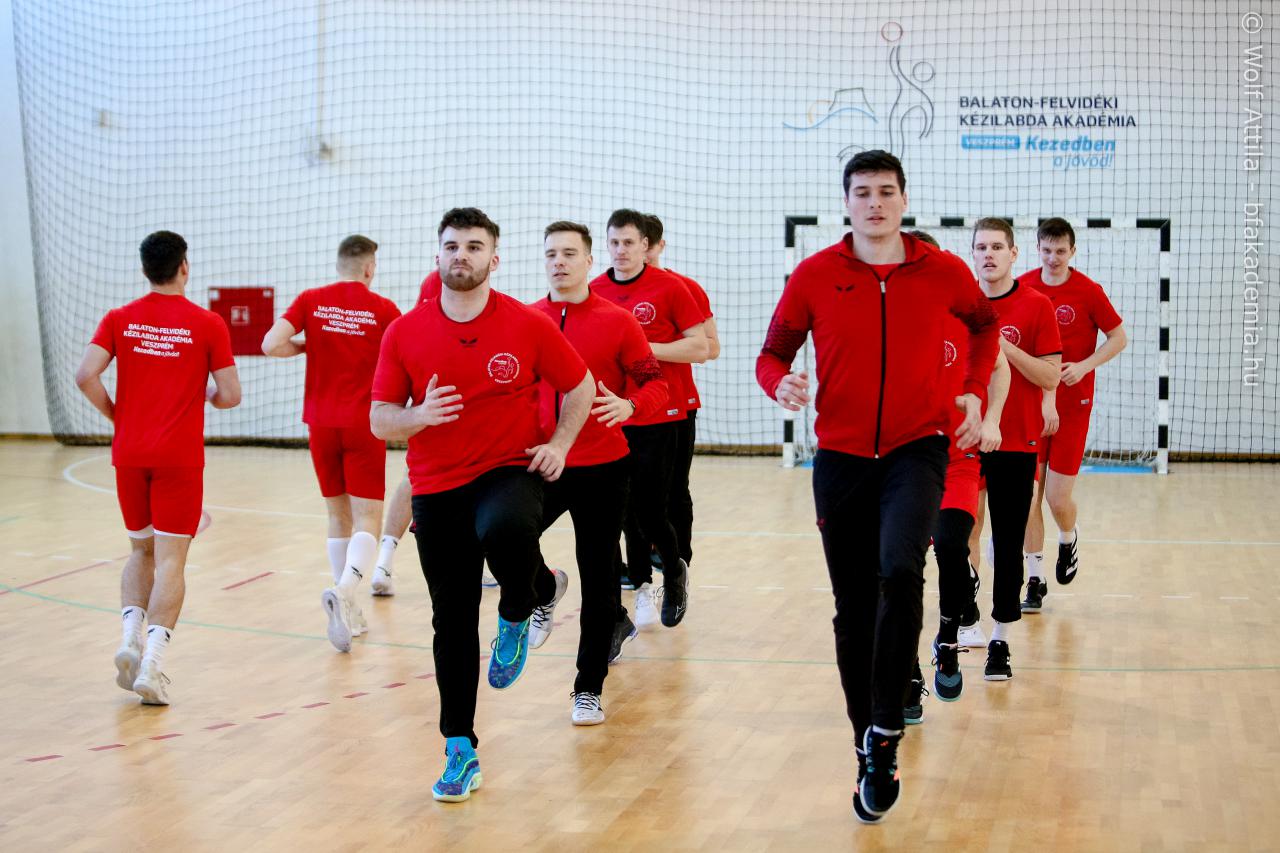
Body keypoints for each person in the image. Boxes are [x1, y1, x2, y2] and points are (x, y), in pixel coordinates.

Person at [757, 151, 998, 822]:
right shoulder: (815, 275)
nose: (875, 203)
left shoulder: (944, 271)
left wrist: (975, 392)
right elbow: (773, 351)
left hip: (918, 449)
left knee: (901, 569)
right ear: (847, 202)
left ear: (904, 199)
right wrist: (779, 383)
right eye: (862, 192)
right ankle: (866, 740)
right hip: (839, 459)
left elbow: (985, 328)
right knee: (853, 607)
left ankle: (888, 725)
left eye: (886, 191)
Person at [370, 207, 593, 802]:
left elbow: (581, 385)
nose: (461, 255)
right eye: (452, 246)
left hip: (507, 470)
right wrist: (419, 415)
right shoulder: (405, 332)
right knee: (451, 621)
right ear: (437, 256)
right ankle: (459, 748)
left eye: (474, 246)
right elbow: (380, 418)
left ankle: (520, 607)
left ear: (495, 258)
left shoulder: (527, 324)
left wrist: (560, 444)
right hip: (435, 487)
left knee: (505, 527)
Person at [75, 231, 241, 705]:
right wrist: (208, 395)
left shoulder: (119, 318)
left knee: (139, 551)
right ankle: (151, 665)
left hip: (129, 452)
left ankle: (129, 637)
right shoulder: (207, 323)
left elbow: (85, 375)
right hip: (178, 457)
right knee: (171, 561)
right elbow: (231, 395)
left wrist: (118, 416)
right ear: (184, 267)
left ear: (145, 270)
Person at [527, 221, 668, 724]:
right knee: (504, 539)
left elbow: (656, 385)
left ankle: (588, 688)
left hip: (604, 468)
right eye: (551, 253)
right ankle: (545, 590)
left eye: (570, 253)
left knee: (600, 578)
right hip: (541, 462)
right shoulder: (526, 320)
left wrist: (631, 406)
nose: (559, 262)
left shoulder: (619, 321)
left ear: (590, 261)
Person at [261, 235, 401, 651]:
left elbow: (270, 344)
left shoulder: (311, 300)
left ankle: (349, 609)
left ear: (339, 264)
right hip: (364, 423)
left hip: (320, 424)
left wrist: (306, 345)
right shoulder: (383, 309)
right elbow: (405, 356)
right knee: (368, 519)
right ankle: (345, 591)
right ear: (370, 268)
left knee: (337, 517)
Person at [899, 230, 1009, 721]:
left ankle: (946, 641)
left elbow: (1000, 367)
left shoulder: (965, 316)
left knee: (950, 546)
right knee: (899, 571)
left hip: (958, 458)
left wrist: (991, 419)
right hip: (902, 464)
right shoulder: (887, 321)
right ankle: (907, 672)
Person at [591, 209, 707, 629]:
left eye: (628, 242)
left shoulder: (672, 287)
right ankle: (638, 588)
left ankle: (676, 569)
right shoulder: (594, 290)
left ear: (647, 245)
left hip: (662, 412)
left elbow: (701, 348)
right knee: (619, 509)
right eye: (614, 242)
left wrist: (641, 347)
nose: (620, 250)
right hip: (612, 414)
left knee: (657, 506)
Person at [969, 218, 1061, 680]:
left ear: (1013, 254)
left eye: (997, 247)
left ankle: (1000, 639)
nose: (988, 254)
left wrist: (1005, 349)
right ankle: (964, 616)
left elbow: (1050, 376)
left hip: (1016, 439)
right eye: (981, 247)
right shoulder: (960, 304)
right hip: (967, 437)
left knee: (1007, 539)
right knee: (958, 531)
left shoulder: (1036, 305)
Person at [1019, 218, 1127, 601]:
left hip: (1073, 406)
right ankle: (1034, 578)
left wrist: (1084, 366)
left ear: (1073, 251)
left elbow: (1118, 337)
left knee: (1056, 499)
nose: (1053, 258)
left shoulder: (1088, 291)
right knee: (1029, 497)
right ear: (1037, 249)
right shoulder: (1024, 288)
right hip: (1031, 406)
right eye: (1047, 250)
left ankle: (1068, 536)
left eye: (1060, 251)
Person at [640, 214, 719, 573]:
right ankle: (637, 564)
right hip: (629, 405)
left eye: (647, 246)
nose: (638, 254)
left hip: (676, 403)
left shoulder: (684, 288)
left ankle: (678, 561)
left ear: (659, 246)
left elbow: (710, 347)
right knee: (629, 490)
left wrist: (647, 349)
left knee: (674, 487)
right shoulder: (607, 290)